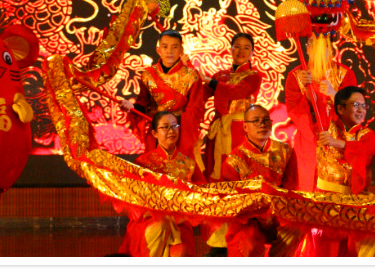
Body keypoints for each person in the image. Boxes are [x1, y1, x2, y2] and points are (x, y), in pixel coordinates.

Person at [118, 111, 206, 257]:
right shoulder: (144, 163)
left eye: (174, 126)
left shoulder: (188, 163)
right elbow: (135, 199)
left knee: (180, 250)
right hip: (149, 220)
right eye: (165, 127)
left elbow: (203, 193)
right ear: (154, 133)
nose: (171, 131)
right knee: (160, 226)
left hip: (180, 223)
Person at [221, 104, 302, 257]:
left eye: (265, 120)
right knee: (248, 243)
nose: (262, 124)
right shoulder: (234, 160)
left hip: (278, 214)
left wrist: (273, 214)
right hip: (248, 219)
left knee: (296, 229)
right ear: (245, 126)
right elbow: (233, 202)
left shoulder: (285, 151)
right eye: (256, 121)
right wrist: (261, 216)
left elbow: (290, 189)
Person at [313, 86, 375, 256]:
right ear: (341, 108)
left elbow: (363, 150)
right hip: (325, 203)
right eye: (355, 105)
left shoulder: (368, 135)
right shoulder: (325, 127)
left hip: (353, 204)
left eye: (363, 106)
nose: (361, 110)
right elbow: (314, 106)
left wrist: (334, 142)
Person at [285, 33, 357, 191]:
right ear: (306, 49)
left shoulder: (344, 74)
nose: (315, 48)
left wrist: (334, 94)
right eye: (311, 43)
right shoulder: (296, 76)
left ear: (330, 48)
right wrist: (306, 94)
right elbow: (293, 110)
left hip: (336, 142)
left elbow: (354, 111)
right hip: (309, 142)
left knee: (335, 193)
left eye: (320, 44)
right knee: (308, 190)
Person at [121, 30, 204, 162]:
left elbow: (195, 109)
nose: (169, 51)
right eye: (165, 47)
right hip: (157, 133)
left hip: (180, 132)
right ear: (158, 49)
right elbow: (143, 104)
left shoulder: (192, 76)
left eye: (174, 47)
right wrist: (132, 107)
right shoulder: (148, 74)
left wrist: (172, 124)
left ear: (181, 50)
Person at [200, 32, 263, 181]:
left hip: (241, 130)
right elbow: (200, 95)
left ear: (252, 52)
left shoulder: (254, 76)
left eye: (246, 48)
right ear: (231, 49)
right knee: (215, 168)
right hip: (219, 127)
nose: (241, 51)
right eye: (237, 46)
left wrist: (208, 80)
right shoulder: (220, 75)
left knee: (237, 170)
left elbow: (235, 92)